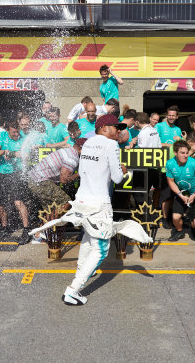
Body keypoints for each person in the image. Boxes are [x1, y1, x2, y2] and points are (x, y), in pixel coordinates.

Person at [62, 114, 128, 305]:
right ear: (104, 128)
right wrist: (123, 170)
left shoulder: (88, 143)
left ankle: (82, 272)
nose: (119, 131)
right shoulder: (111, 145)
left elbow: (83, 171)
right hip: (99, 203)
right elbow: (116, 178)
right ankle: (73, 290)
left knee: (88, 239)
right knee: (100, 250)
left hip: (82, 199)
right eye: (116, 127)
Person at [26, 138, 86, 243]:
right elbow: (64, 180)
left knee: (51, 209)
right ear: (81, 149)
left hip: (34, 180)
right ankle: (40, 233)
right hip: (40, 181)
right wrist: (79, 173)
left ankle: (40, 234)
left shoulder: (67, 150)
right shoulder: (72, 159)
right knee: (66, 202)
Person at [0, 122, 31, 239]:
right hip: (2, 173)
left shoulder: (23, 138)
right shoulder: (1, 136)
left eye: (17, 131)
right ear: (8, 130)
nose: (16, 134)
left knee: (18, 202)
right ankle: (5, 228)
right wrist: (6, 152)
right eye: (13, 132)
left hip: (17, 173)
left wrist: (19, 154)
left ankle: (26, 229)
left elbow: (27, 155)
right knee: (1, 204)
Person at [166, 140, 195, 241]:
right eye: (182, 153)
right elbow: (171, 182)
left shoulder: (194, 163)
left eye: (186, 153)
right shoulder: (170, 164)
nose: (185, 155)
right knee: (175, 218)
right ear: (175, 153)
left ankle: (193, 224)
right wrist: (181, 195)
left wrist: (194, 194)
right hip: (183, 192)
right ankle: (180, 231)